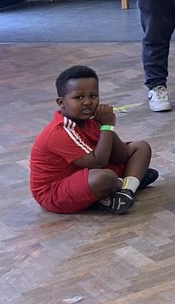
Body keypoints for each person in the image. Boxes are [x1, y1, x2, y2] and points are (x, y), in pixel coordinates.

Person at [30, 66, 156, 215]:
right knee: (105, 177)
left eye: (93, 96)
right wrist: (107, 126)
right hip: (54, 192)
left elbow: (121, 156)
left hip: (86, 173)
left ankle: (125, 191)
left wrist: (103, 125)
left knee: (141, 147)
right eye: (79, 97)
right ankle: (129, 182)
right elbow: (98, 163)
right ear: (61, 102)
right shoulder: (60, 131)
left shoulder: (90, 120)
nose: (88, 102)